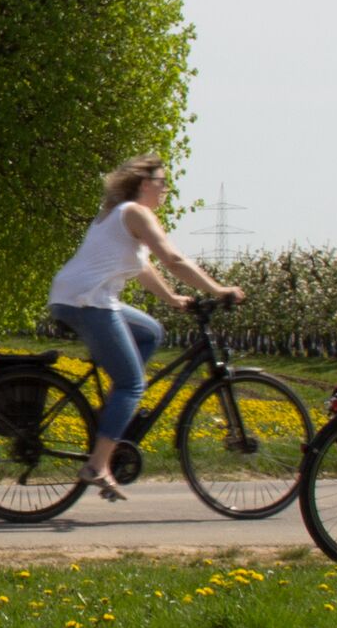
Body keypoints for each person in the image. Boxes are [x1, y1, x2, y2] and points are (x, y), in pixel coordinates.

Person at [43, 154, 239, 501]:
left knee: (151, 332)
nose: (165, 190)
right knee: (133, 384)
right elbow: (173, 259)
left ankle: (111, 418)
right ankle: (97, 464)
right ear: (145, 184)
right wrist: (218, 290)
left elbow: (144, 267)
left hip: (82, 297)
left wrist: (173, 298)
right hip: (88, 302)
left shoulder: (117, 215)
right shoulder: (135, 212)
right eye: (162, 183)